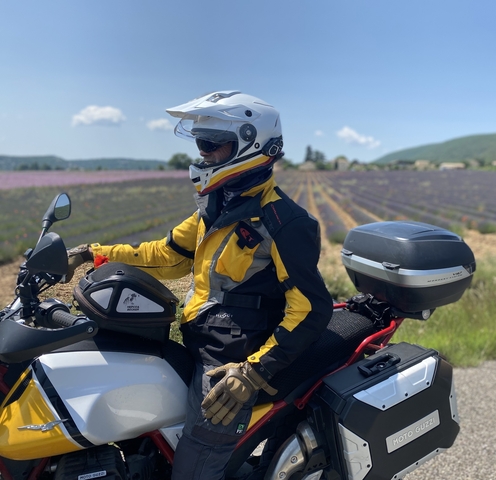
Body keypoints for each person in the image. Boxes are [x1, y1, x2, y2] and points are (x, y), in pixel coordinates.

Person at [67, 90, 333, 480]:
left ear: (249, 144)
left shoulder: (284, 222)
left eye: (212, 144)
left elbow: (311, 309)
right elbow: (168, 254)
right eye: (199, 143)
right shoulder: (216, 207)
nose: (203, 153)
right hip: (197, 336)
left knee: (193, 468)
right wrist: (94, 253)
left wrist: (252, 374)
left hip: (231, 359)